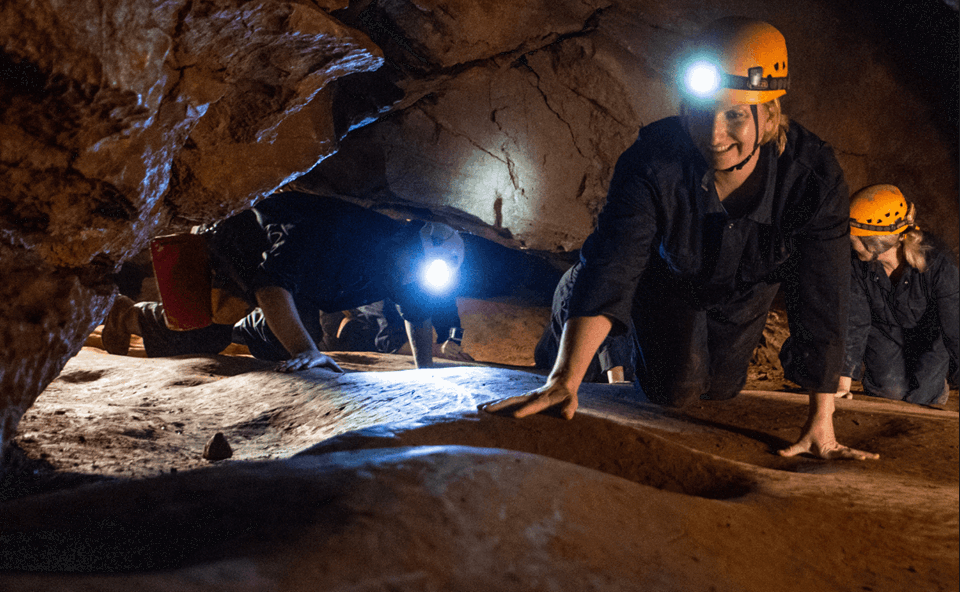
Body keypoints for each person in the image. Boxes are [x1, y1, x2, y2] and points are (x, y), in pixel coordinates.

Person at [485, 16, 879, 460]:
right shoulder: (652, 161)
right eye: (701, 111)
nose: (713, 134)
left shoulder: (813, 178)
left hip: (746, 289)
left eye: (733, 115)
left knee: (723, 390)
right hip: (667, 279)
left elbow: (823, 296)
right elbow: (615, 263)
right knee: (676, 391)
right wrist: (564, 379)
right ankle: (573, 298)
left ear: (768, 115)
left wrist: (821, 423)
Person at [101, 191, 465, 373]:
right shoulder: (341, 235)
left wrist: (426, 373)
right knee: (209, 326)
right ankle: (127, 317)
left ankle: (242, 327)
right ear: (414, 244)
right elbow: (271, 283)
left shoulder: (404, 265)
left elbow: (417, 315)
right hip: (234, 243)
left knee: (287, 337)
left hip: (294, 283)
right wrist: (306, 351)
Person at [837, 184, 958, 405]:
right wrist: (842, 383)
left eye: (853, 238)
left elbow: (956, 329)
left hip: (929, 335)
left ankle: (939, 383)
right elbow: (855, 322)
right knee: (888, 393)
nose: (848, 242)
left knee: (922, 397)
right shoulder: (857, 264)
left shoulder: (938, 262)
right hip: (882, 330)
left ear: (874, 242)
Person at [534, 262, 637, 384]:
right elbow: (607, 318)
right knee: (585, 376)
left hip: (575, 324)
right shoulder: (615, 268)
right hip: (578, 311)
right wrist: (617, 381)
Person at [334, 299, 474, 362]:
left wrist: (452, 344)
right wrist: (438, 350)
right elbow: (390, 341)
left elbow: (448, 311)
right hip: (360, 333)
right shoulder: (379, 294)